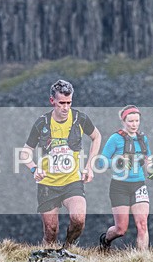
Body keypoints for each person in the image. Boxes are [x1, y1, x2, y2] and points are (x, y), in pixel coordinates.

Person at [20, 80, 101, 247]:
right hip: (47, 184)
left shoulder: (79, 119)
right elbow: (25, 152)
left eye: (69, 103)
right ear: (52, 101)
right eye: (61, 103)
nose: (65, 108)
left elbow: (96, 137)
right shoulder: (42, 123)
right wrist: (34, 168)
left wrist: (89, 166)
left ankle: (67, 249)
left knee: (78, 220)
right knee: (51, 231)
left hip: (72, 181)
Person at [98, 105, 153, 251]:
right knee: (121, 229)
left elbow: (147, 157)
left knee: (142, 224)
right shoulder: (115, 138)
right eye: (130, 121)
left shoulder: (143, 139)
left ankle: (143, 260)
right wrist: (118, 162)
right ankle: (105, 240)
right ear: (123, 121)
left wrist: (150, 170)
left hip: (139, 185)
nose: (134, 124)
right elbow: (100, 162)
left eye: (137, 121)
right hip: (119, 187)